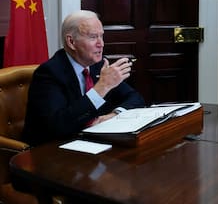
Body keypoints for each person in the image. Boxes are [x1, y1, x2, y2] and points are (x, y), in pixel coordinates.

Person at [22, 10, 145, 146]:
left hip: (93, 144)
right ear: (71, 42)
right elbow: (58, 126)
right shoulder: (49, 73)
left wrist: (114, 115)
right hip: (53, 150)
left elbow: (135, 98)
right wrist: (101, 88)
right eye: (93, 37)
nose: (101, 44)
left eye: (101, 36)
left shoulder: (98, 65)